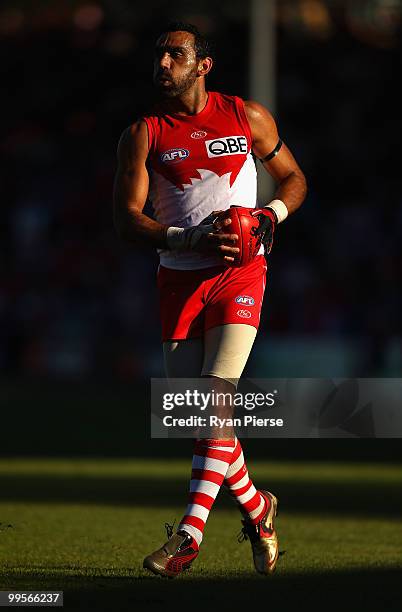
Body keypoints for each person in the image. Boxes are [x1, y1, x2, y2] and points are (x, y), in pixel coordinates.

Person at [113, 22, 307, 578]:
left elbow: (293, 178)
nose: (163, 62)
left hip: (240, 274)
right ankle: (258, 507)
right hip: (179, 278)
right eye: (159, 54)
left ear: (203, 65)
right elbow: (127, 220)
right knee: (202, 416)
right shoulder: (143, 133)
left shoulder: (247, 116)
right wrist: (183, 238)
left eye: (176, 54)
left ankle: (189, 537)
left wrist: (272, 215)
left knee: (216, 396)